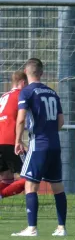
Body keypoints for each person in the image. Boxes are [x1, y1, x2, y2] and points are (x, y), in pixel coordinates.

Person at [12, 58, 67, 237]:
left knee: (30, 185)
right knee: (57, 187)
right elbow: (61, 122)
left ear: (26, 73)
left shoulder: (26, 92)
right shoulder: (52, 92)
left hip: (38, 144)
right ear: (41, 73)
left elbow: (21, 119)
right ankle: (61, 228)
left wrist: (18, 140)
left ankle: (32, 228)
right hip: (55, 144)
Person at [0, 71, 28, 201]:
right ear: (23, 83)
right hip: (10, 141)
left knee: (7, 178)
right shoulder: (21, 94)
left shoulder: (4, 95)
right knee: (30, 177)